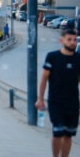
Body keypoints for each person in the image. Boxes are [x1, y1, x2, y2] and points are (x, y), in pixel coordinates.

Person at [35, 29, 80, 157]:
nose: (72, 42)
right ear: (62, 41)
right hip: (56, 102)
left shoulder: (78, 59)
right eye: (69, 39)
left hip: (73, 103)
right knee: (58, 132)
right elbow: (44, 79)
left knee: (68, 135)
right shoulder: (53, 57)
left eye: (74, 39)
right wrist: (40, 99)